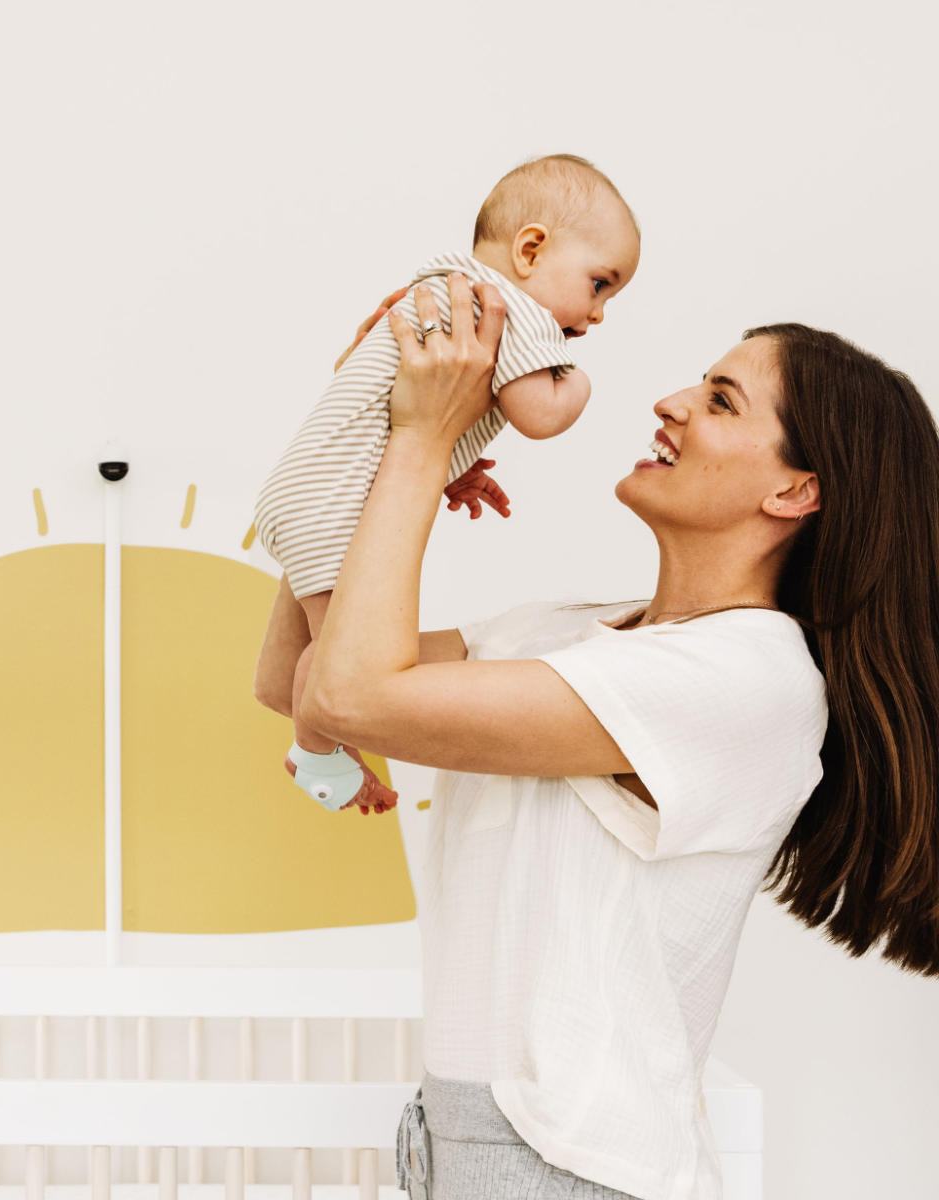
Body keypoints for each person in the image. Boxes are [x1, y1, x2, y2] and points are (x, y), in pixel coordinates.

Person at [268, 274, 939, 1199]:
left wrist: (422, 445)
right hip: (468, 1149)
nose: (671, 403)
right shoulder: (560, 632)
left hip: (565, 1167)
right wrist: (371, 438)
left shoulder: (749, 677)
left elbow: (349, 696)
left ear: (796, 490)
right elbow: (300, 677)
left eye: (720, 400)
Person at [252, 155, 641, 815]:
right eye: (599, 284)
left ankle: (323, 745)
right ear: (530, 250)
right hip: (333, 504)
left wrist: (452, 465)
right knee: (338, 664)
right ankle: (317, 759)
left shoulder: (440, 287)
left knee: (332, 654)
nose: (599, 313)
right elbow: (541, 416)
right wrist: (576, 381)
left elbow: (384, 415)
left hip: (309, 488)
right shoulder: (512, 308)